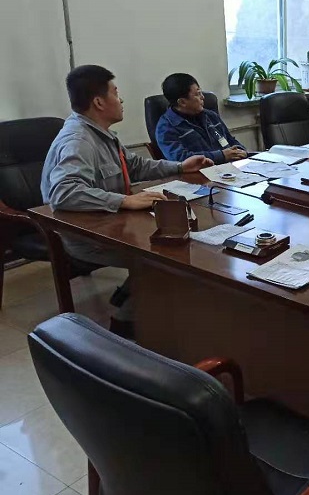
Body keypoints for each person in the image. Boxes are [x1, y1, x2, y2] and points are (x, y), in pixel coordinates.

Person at [41, 65, 212, 335]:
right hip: (85, 236)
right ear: (99, 102)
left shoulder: (101, 133)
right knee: (170, 251)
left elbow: (135, 166)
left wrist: (180, 166)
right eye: (115, 93)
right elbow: (63, 192)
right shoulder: (79, 140)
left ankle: (132, 294)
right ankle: (124, 324)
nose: (121, 100)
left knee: (181, 232)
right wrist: (124, 201)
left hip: (111, 222)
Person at [155, 73, 246, 164]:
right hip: (201, 171)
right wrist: (222, 156)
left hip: (232, 166)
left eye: (201, 92)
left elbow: (230, 140)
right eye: (198, 94)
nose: (203, 97)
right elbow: (181, 158)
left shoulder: (211, 116)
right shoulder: (166, 128)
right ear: (182, 102)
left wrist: (240, 150)